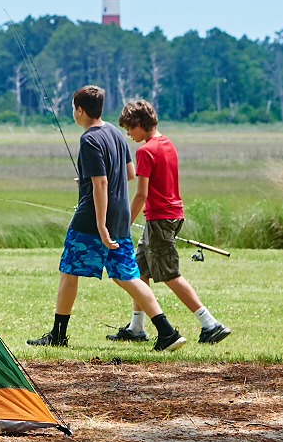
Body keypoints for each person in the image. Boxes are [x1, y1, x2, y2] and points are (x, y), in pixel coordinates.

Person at [28, 85, 186, 352]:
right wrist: (88, 180)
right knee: (128, 276)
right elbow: (129, 174)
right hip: (121, 217)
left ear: (80, 110)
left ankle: (58, 334)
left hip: (91, 219)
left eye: (73, 108)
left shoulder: (89, 139)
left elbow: (101, 183)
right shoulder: (115, 133)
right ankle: (167, 332)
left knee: (69, 270)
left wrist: (101, 225)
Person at [119, 97, 231, 344]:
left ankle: (210, 324)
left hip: (159, 218)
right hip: (171, 215)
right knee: (139, 269)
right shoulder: (167, 144)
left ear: (139, 124)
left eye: (129, 128)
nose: (128, 134)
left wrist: (124, 224)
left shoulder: (145, 151)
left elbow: (141, 194)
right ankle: (136, 328)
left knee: (169, 274)